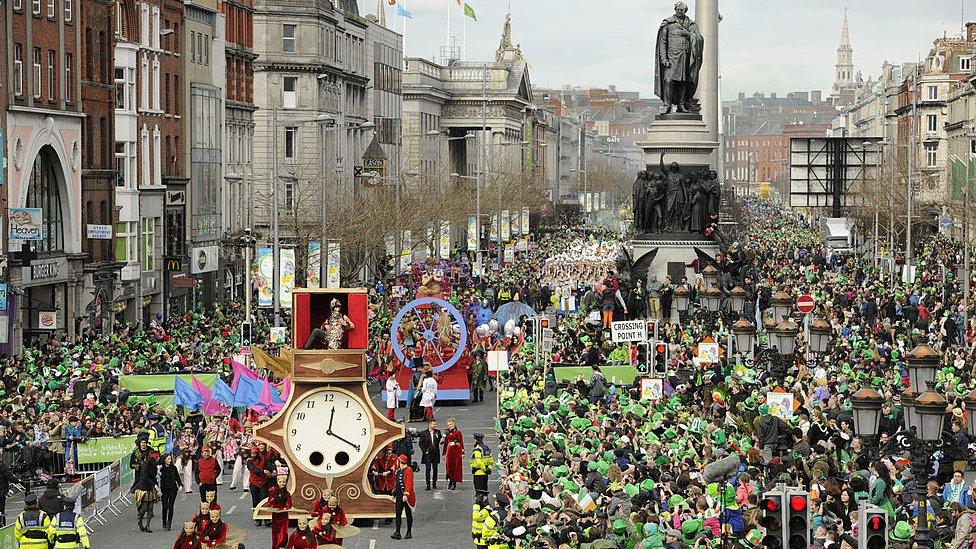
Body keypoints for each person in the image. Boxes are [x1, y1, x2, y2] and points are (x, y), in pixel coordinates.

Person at [390, 455, 415, 540]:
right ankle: (397, 532)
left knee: (408, 514)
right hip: (399, 496)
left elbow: (409, 483)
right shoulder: (398, 471)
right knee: (398, 514)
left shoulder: (408, 470)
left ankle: (409, 532)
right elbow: (396, 483)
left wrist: (406, 494)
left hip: (406, 497)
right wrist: (394, 493)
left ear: (400, 462)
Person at [134, 451, 160, 533]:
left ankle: (148, 526)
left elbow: (154, 476)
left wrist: (156, 485)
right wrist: (154, 485)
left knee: (150, 508)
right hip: (144, 488)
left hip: (151, 487)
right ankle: (140, 522)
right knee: (145, 507)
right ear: (155, 457)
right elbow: (145, 476)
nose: (159, 458)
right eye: (158, 457)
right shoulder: (146, 463)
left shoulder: (155, 464)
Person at [160, 453, 182, 531]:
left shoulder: (173, 468)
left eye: (170, 459)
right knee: (165, 507)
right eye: (168, 459)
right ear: (164, 460)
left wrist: (180, 485)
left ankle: (169, 522)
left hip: (173, 489)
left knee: (171, 506)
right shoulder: (161, 468)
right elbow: (157, 478)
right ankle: (164, 521)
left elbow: (177, 477)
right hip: (164, 490)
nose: (170, 460)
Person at [418, 419, 442, 491]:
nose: (435, 425)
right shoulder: (423, 433)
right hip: (428, 454)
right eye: (433, 424)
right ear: (429, 424)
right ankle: (428, 485)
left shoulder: (438, 432)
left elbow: (440, 441)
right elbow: (421, 443)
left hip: (435, 453)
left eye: (435, 424)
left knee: (435, 469)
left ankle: (434, 484)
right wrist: (425, 452)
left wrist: (442, 439)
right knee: (428, 469)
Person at [442, 417, 464, 490]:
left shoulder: (458, 432)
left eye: (451, 424)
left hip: (457, 451)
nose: (449, 426)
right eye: (448, 425)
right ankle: (450, 481)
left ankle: (454, 483)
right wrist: (444, 453)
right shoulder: (446, 432)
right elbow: (445, 444)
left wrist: (462, 452)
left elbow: (461, 442)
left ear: (454, 424)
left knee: (456, 467)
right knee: (449, 467)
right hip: (450, 451)